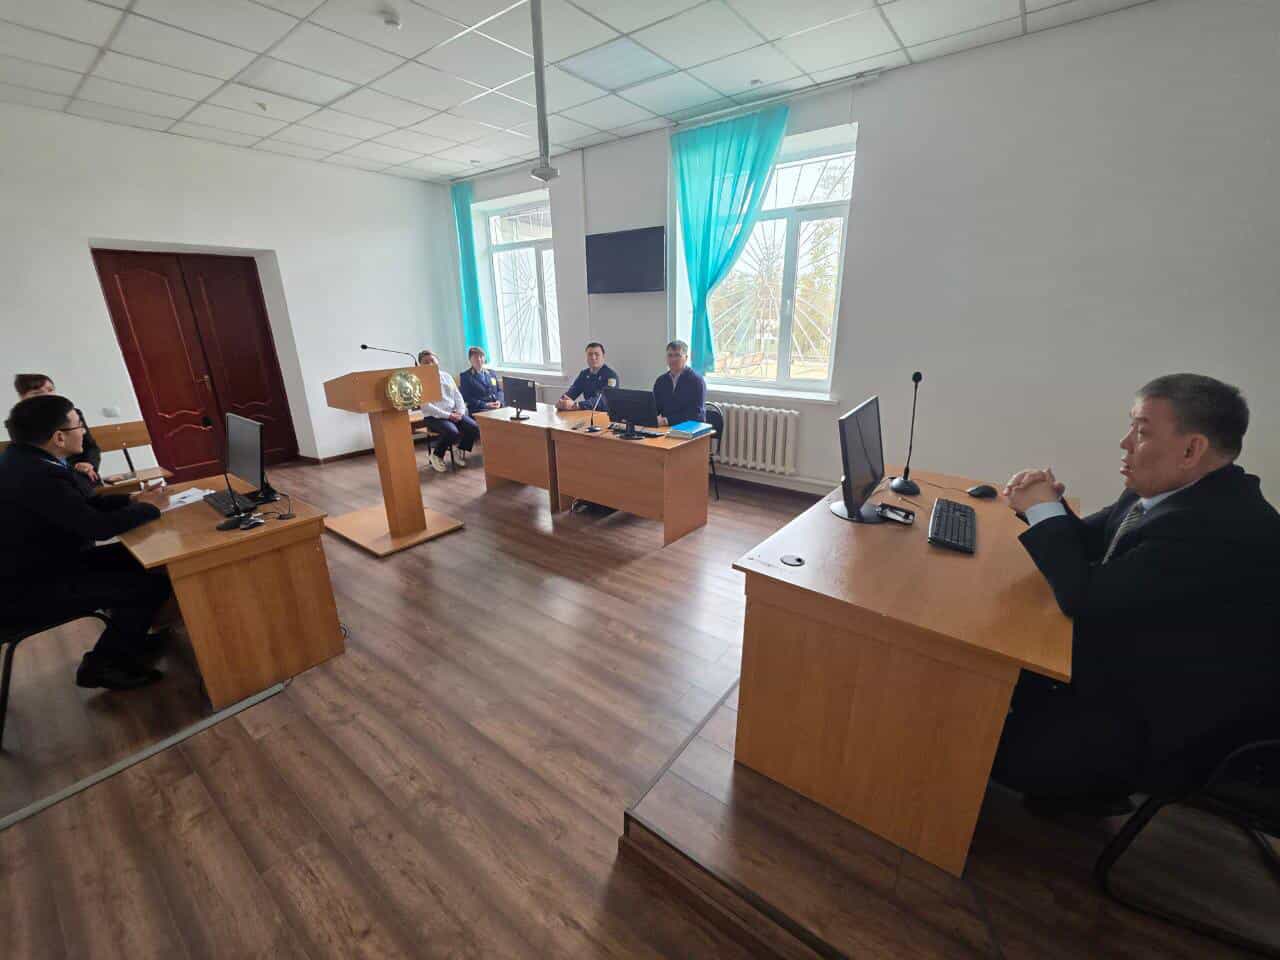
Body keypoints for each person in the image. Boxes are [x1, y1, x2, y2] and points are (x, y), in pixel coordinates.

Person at [992, 373, 1280, 816]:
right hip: (1139, 669)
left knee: (987, 743)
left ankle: (1095, 789)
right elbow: (1093, 545)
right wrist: (1046, 509)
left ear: (1191, 450)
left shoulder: (1215, 527)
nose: (1125, 443)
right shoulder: (1176, 493)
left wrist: (1044, 512)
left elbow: (1083, 596)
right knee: (996, 682)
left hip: (1172, 724)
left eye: (1142, 432)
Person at [0, 395, 173, 690]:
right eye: (79, 425)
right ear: (59, 437)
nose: (83, 431)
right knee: (148, 584)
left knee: (139, 560)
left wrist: (133, 499)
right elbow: (97, 527)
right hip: (30, 588)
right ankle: (103, 665)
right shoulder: (39, 475)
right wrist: (150, 508)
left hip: (45, 564)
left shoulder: (24, 459)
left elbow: (80, 506)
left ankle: (129, 638)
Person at [14, 373, 101, 486]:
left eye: (50, 390)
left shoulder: (72, 414)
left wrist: (88, 464)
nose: (48, 395)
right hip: (49, 479)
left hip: (82, 474)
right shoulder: (19, 423)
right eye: (37, 393)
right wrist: (71, 469)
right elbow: (34, 459)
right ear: (22, 398)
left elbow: (90, 446)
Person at [417, 350, 479, 473]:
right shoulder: (420, 381)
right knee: (452, 431)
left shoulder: (446, 376)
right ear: (420, 365)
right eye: (425, 362)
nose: (430, 364)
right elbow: (426, 406)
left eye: (432, 360)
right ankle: (436, 455)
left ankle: (460, 450)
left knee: (474, 427)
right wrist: (448, 415)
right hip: (434, 417)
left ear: (437, 361)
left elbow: (457, 396)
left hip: (453, 413)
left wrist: (460, 412)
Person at [652, 339, 706, 427]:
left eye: (677, 355)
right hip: (666, 428)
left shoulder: (696, 381)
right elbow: (656, 408)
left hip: (689, 429)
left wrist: (666, 421)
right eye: (670, 355)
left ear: (686, 358)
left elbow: (696, 414)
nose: (673, 359)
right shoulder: (661, 381)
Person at [556, 342, 618, 412]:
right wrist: (562, 402)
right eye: (590, 354)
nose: (593, 358)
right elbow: (572, 392)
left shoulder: (611, 376)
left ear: (603, 356)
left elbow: (603, 400)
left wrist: (577, 405)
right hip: (588, 412)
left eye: (597, 354)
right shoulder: (584, 374)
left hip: (605, 414)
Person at [458, 347, 504, 415]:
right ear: (470, 360)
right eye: (475, 357)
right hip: (480, 409)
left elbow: (499, 391)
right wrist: (485, 405)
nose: (479, 359)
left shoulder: (491, 373)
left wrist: (499, 401)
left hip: (497, 407)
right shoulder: (465, 376)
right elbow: (467, 397)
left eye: (481, 356)